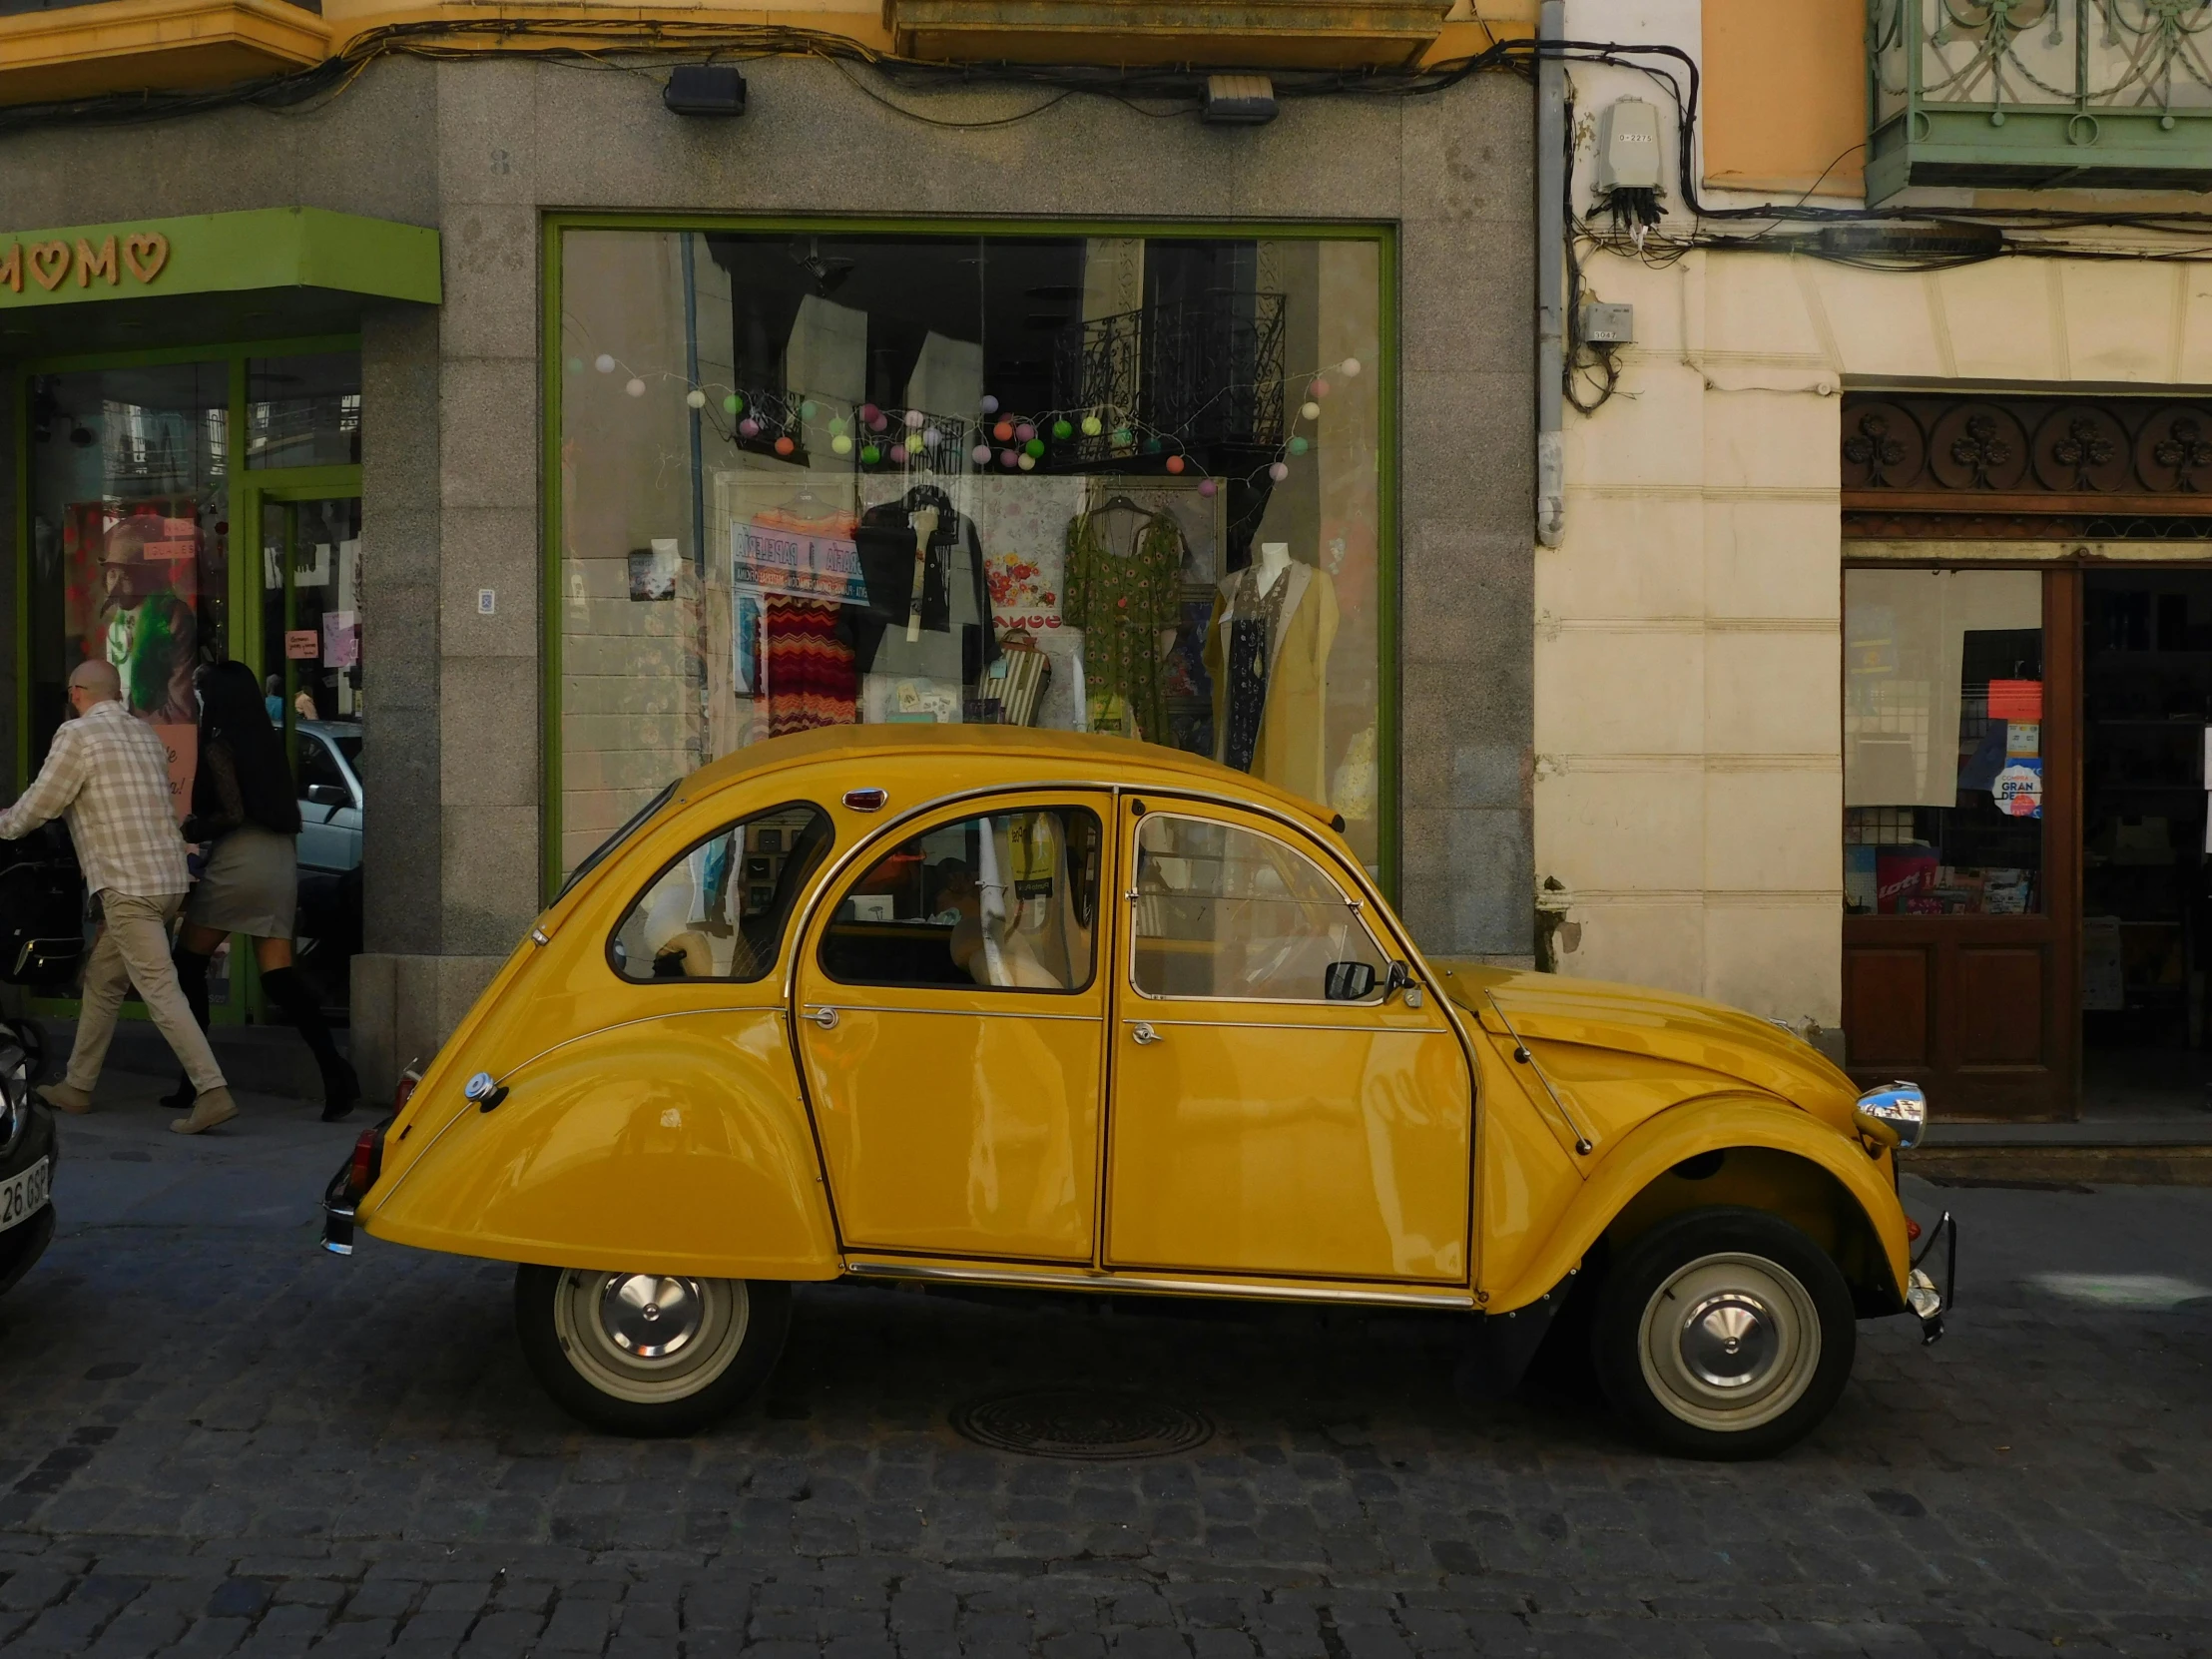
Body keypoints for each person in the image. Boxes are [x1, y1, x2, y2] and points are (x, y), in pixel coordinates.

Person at [0, 659, 239, 1133]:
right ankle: (78, 1085)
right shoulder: (145, 735)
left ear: (77, 692)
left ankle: (212, 1090)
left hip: (127, 885)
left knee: (158, 988)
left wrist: (5, 823)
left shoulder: (76, 735)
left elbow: (42, 803)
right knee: (105, 982)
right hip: (166, 882)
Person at [169, 661, 358, 1121]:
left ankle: (196, 1080)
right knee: (279, 977)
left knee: (187, 965)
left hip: (241, 859)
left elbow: (232, 813)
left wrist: (194, 824)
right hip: (279, 860)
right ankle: (335, 1072)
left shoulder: (219, 745)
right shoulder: (268, 742)